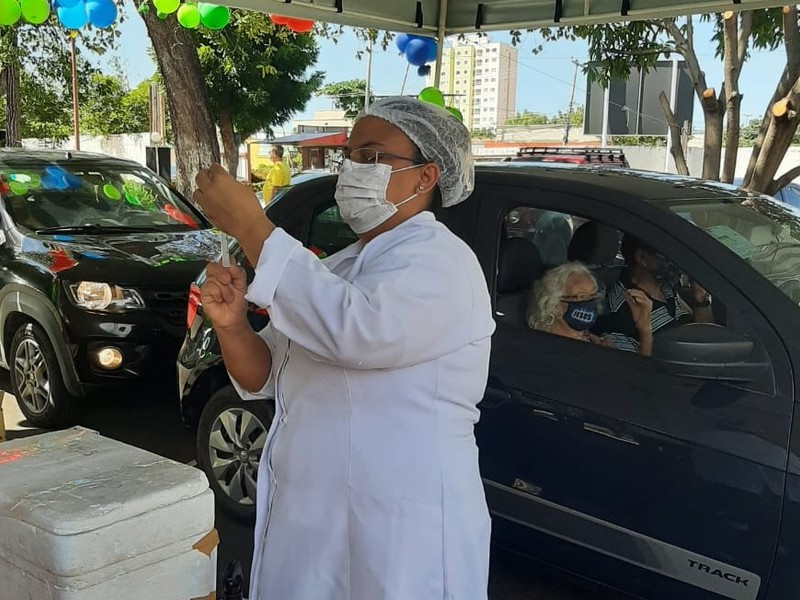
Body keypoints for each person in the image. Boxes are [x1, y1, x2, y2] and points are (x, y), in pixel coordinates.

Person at [192, 97, 494, 600]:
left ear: (425, 178)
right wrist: (233, 327)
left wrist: (251, 226)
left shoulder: (443, 263)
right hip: (317, 520)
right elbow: (262, 375)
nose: (353, 169)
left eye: (372, 157)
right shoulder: (342, 268)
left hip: (401, 528)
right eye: (349, 155)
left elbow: (358, 334)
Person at [594, 234, 713, 352]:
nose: (674, 260)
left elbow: (706, 336)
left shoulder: (665, 286)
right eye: (666, 255)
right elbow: (635, 367)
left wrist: (700, 297)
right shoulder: (623, 311)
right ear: (642, 258)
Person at [528, 262, 653, 356]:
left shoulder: (586, 339)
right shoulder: (553, 351)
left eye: (593, 296)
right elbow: (635, 385)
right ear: (556, 305)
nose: (589, 303)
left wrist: (644, 326)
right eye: (581, 296)